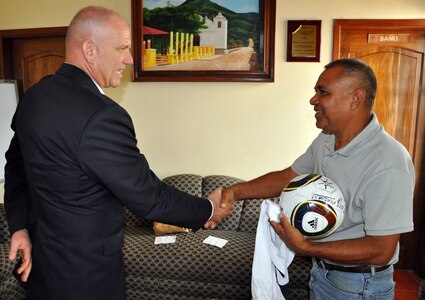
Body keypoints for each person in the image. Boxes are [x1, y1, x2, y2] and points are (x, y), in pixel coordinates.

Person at [4, 6, 231, 300]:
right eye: (122, 48)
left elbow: (14, 166)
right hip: (86, 279)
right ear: (90, 50)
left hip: (42, 270)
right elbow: (150, 198)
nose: (130, 58)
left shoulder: (35, 96)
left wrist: (19, 226)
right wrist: (209, 209)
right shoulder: (102, 116)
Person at [221, 58, 415, 299]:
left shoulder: (388, 163)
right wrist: (234, 192)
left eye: (322, 92)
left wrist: (306, 247)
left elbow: (381, 250)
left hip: (359, 287)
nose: (313, 100)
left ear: (356, 99)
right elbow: (290, 176)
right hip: (323, 273)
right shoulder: (327, 139)